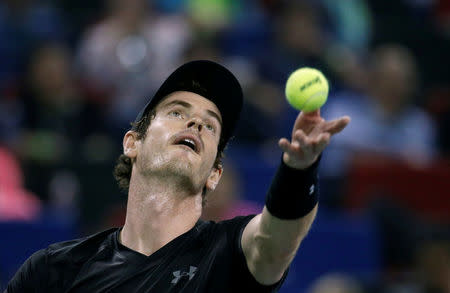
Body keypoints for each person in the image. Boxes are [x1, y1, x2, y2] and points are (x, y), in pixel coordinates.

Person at [4, 60, 350, 292]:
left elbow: (275, 240)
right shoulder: (54, 270)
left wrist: (299, 169)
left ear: (214, 175)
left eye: (211, 124)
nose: (196, 122)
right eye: (176, 111)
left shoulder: (228, 253)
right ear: (133, 143)